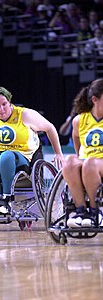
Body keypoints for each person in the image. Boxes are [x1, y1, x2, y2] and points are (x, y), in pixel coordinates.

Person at [0, 86, 64, 215]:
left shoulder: (25, 115)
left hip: (25, 160)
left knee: (7, 156)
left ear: (10, 102)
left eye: (4, 104)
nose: (1, 109)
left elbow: (50, 128)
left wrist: (58, 153)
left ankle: (6, 200)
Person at [62, 78, 103, 228]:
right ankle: (81, 210)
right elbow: (76, 140)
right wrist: (79, 159)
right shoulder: (79, 120)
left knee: (90, 163)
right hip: (88, 163)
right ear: (94, 100)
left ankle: (95, 211)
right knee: (71, 161)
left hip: (99, 164)